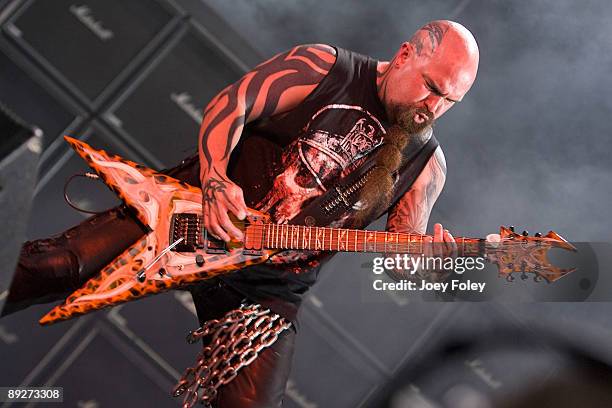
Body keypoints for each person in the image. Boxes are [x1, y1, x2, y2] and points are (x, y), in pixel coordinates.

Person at [2, 20, 479, 407]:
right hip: (190, 215)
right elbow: (232, 104)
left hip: (266, 291)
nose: (432, 107)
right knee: (53, 267)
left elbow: (401, 255)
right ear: (404, 55)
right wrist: (214, 180)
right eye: (431, 87)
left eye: (448, 101)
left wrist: (429, 263)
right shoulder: (325, 68)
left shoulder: (425, 166)